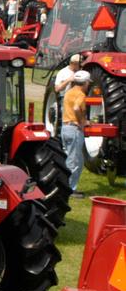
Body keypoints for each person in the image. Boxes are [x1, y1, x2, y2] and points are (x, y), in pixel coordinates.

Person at [60, 70, 91, 198]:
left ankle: (66, 186)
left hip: (65, 128)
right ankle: (69, 190)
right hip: (74, 129)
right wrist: (82, 122)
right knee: (74, 161)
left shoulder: (69, 92)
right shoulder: (80, 94)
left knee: (71, 159)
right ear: (85, 82)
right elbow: (77, 108)